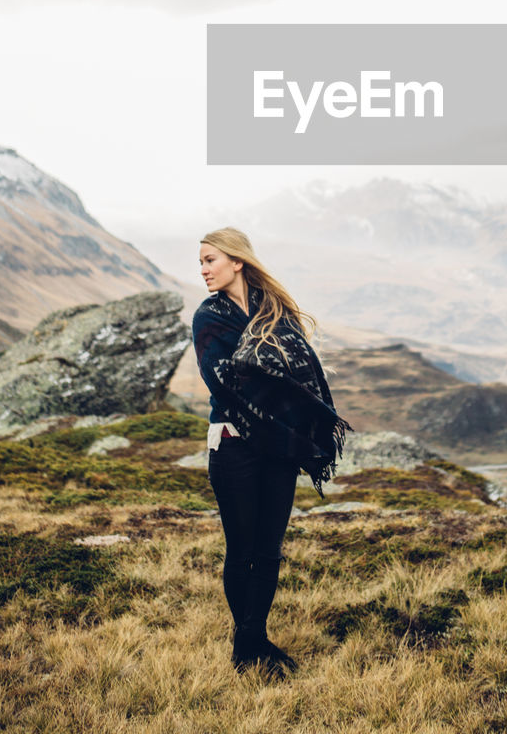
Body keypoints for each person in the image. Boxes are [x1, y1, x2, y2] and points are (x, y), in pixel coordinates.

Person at [192, 227, 350, 677]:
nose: (203, 270)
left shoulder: (274, 312)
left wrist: (294, 428)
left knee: (269, 550)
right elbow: (223, 382)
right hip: (234, 445)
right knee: (240, 548)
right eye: (201, 263)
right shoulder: (209, 318)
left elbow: (302, 376)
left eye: (210, 260)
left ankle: (252, 638)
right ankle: (250, 645)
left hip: (279, 447)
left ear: (236, 261)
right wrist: (276, 419)